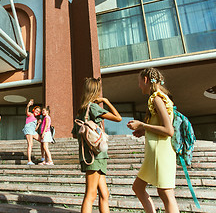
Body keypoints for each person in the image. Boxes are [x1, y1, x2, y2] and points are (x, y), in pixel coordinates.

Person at [127, 68, 179, 213]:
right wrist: (144, 131)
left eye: (139, 82)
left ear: (145, 80)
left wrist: (142, 125)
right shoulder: (161, 97)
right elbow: (161, 125)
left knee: (167, 194)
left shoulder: (156, 98)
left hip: (160, 153)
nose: (139, 86)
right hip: (156, 153)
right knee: (138, 187)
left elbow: (169, 130)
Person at [72, 77, 122, 213]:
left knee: (104, 194)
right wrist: (105, 101)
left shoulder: (81, 111)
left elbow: (74, 133)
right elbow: (118, 118)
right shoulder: (93, 107)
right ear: (96, 91)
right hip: (95, 157)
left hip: (93, 156)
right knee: (91, 194)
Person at [22, 99, 42, 165]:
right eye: (36, 110)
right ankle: (29, 161)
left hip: (33, 131)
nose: (37, 112)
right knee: (30, 144)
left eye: (38, 111)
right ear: (34, 110)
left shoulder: (35, 119)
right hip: (28, 129)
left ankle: (43, 157)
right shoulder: (30, 114)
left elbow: (35, 129)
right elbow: (26, 111)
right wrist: (28, 105)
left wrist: (38, 124)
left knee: (42, 140)